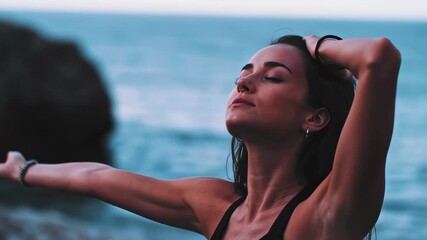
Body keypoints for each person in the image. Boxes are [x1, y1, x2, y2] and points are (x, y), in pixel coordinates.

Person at [0, 34, 401, 240]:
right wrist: (22, 169)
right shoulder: (218, 206)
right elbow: (96, 177)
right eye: (244, 72)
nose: (245, 81)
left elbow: (379, 58)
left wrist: (313, 45)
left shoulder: (328, 215)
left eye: (273, 76)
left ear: (315, 118)